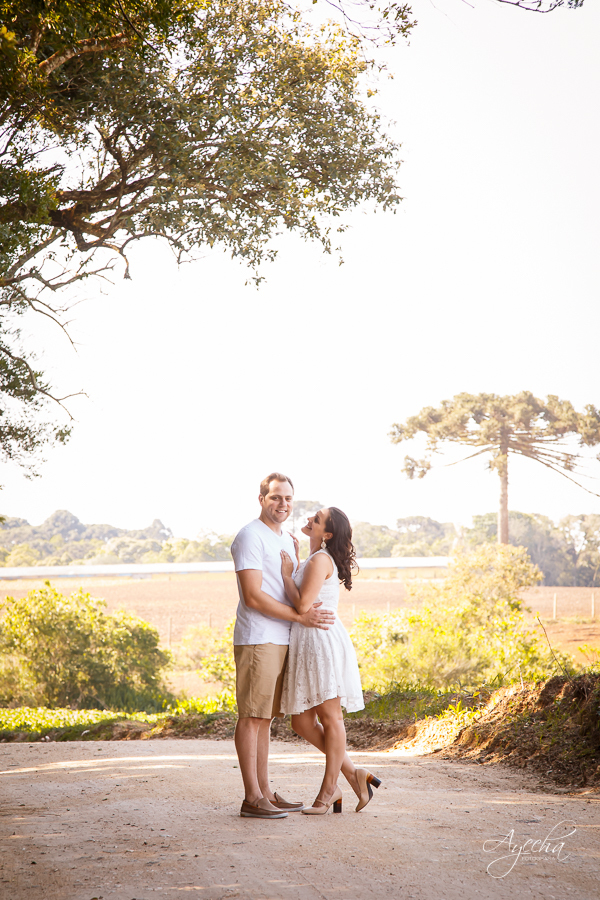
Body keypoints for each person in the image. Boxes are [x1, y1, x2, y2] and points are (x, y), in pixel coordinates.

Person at [231, 472, 336, 819]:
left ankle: (265, 793)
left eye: (288, 498)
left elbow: (290, 586)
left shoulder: (286, 540)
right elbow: (253, 596)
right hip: (258, 637)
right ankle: (251, 797)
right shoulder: (250, 536)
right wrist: (300, 617)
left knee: (264, 719)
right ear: (262, 499)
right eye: (276, 497)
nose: (283, 504)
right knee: (251, 717)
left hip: (282, 638)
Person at [280, 507, 382, 815]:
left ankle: (328, 791)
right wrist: (298, 562)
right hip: (308, 642)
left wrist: (286, 575)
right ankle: (353, 775)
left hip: (321, 642)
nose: (309, 519)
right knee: (301, 722)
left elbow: (302, 604)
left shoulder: (321, 559)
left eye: (316, 519)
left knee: (330, 717)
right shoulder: (315, 558)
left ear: (327, 533)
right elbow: (308, 592)